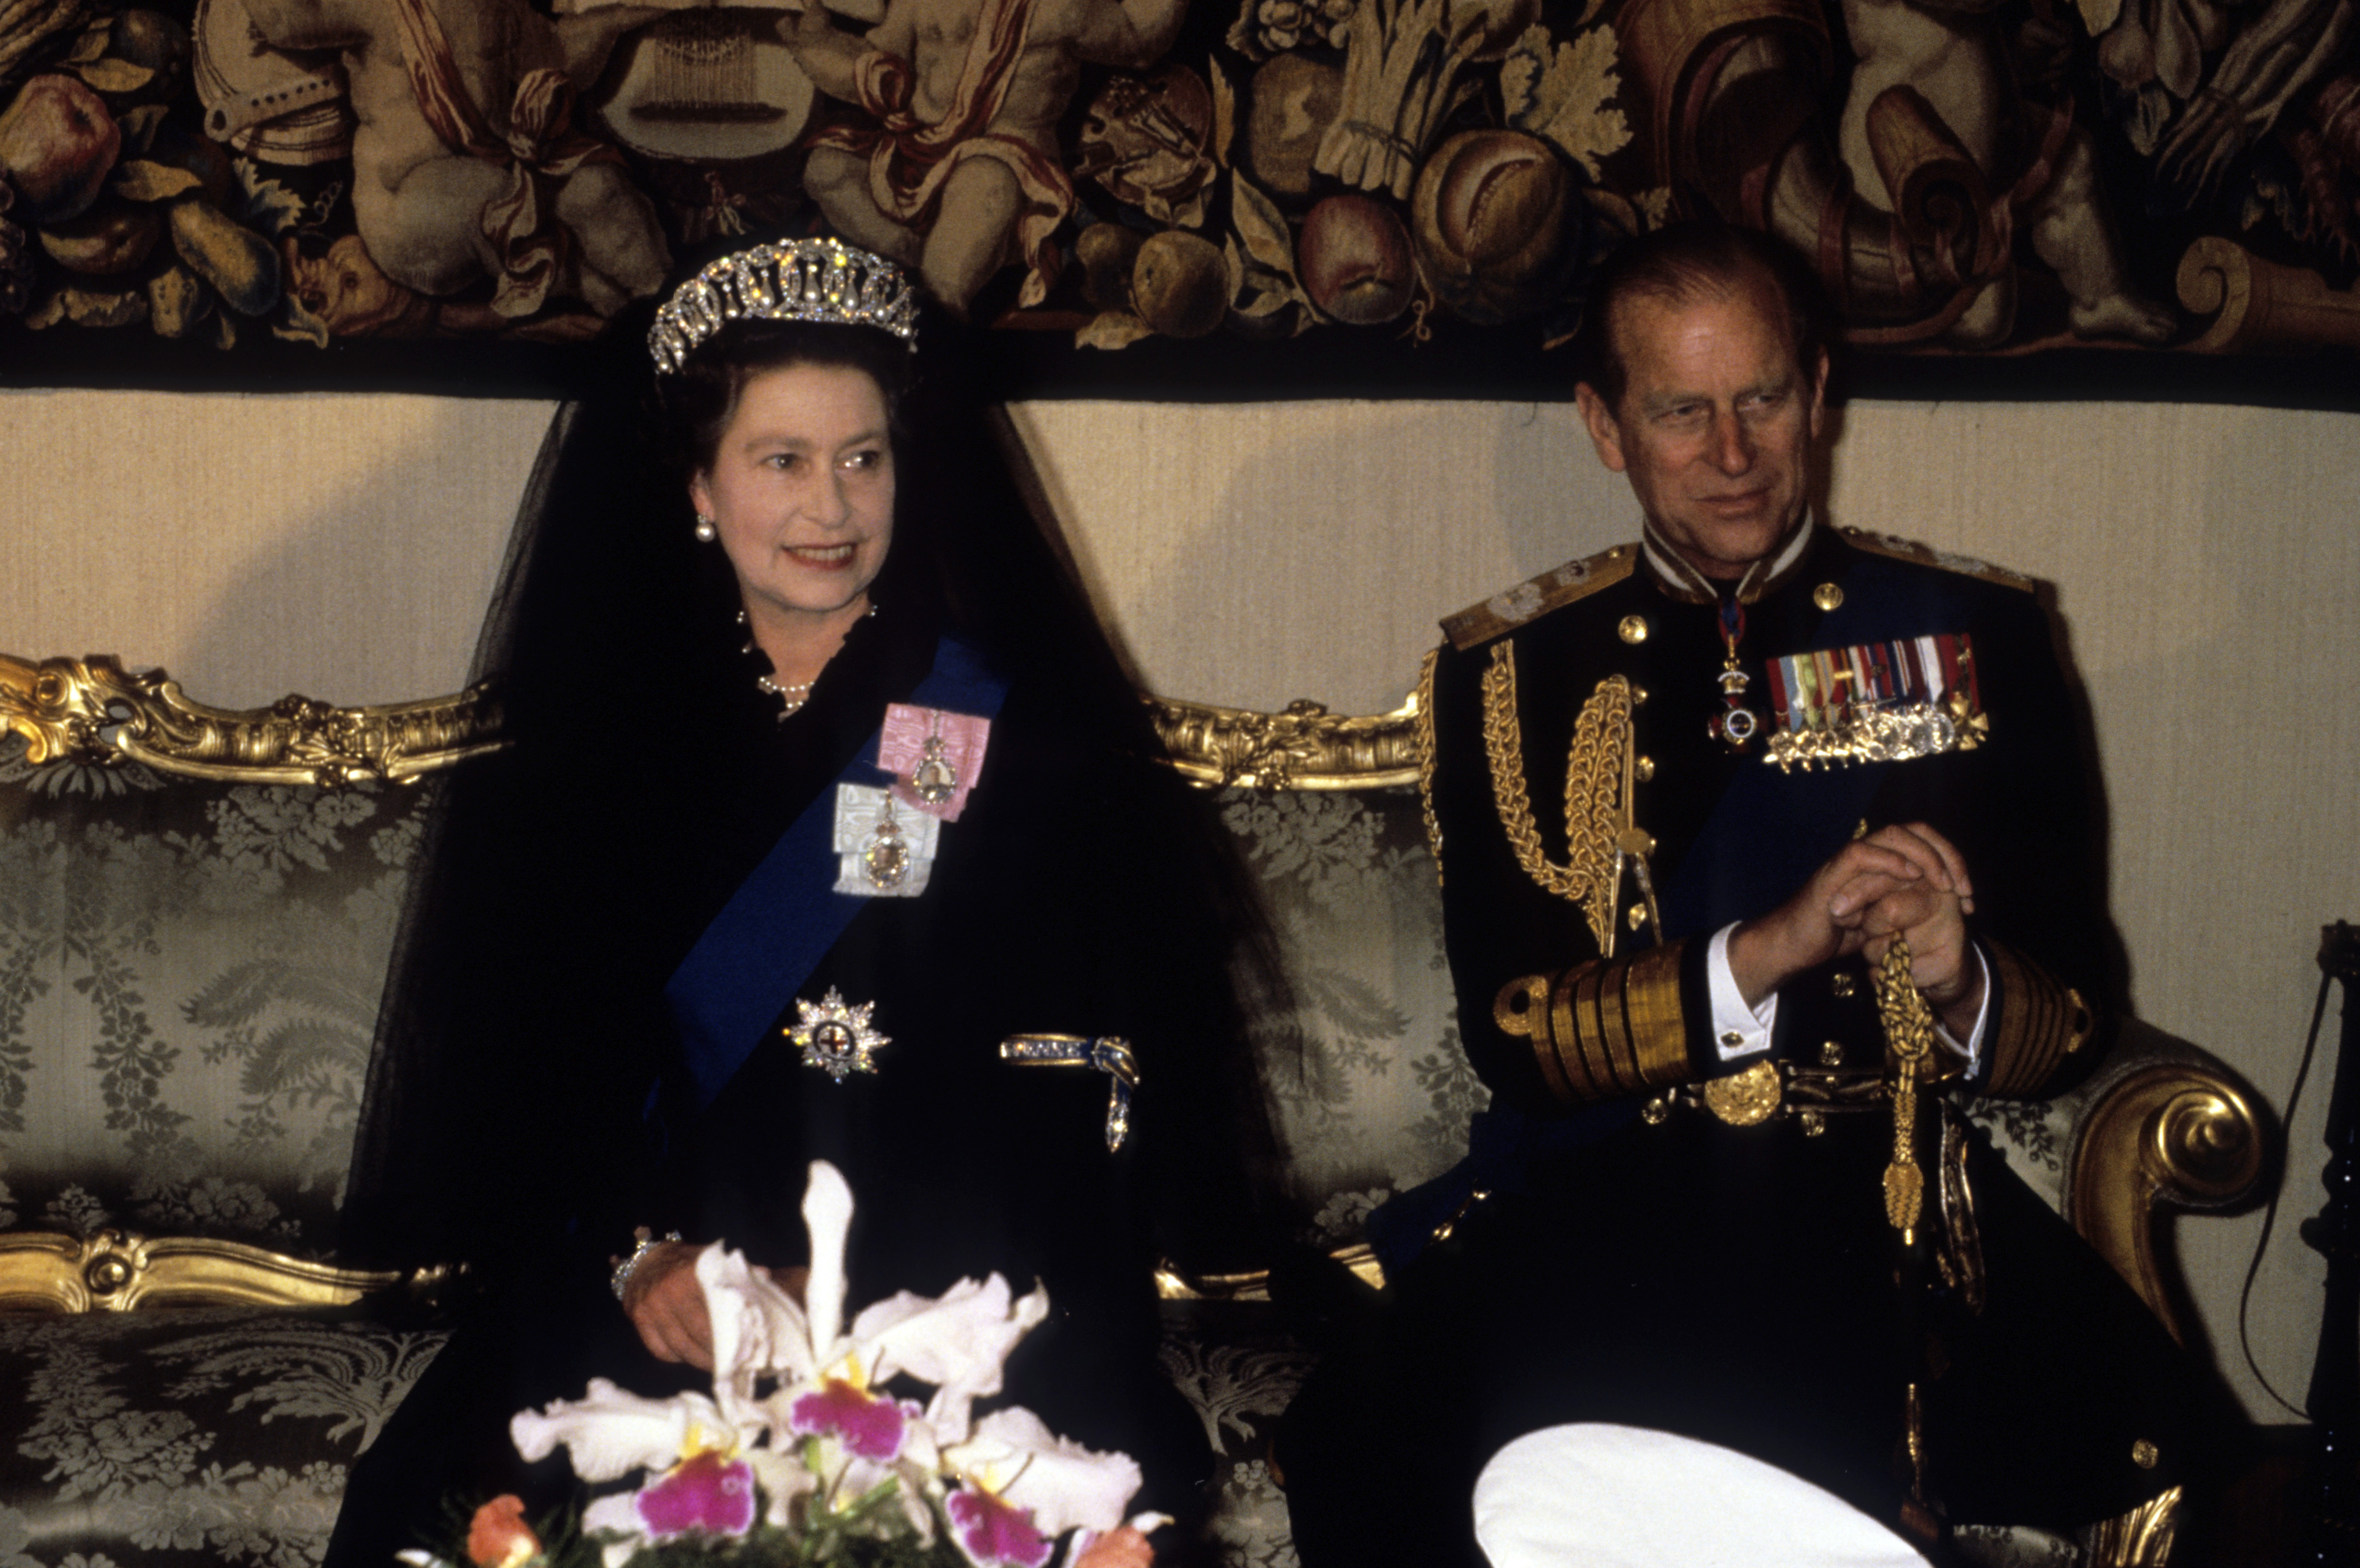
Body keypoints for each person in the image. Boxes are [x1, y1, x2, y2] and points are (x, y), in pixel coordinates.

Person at [1277, 222, 2214, 1567]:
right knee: (1388, 1445)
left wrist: (1962, 979)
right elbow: (1523, 1036)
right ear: (1605, 425)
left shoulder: (1976, 639)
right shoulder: (1512, 676)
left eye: (1762, 398)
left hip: (1874, 1206)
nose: (1733, 452)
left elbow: (2072, 1017)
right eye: (1681, 411)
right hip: (1607, 1207)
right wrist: (1770, 948)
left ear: (1820, 392)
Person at [325, 237, 1269, 1567]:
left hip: (949, 1289)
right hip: (664, 1292)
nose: (832, 506)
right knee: (483, 1508)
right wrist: (646, 1260)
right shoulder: (599, 745)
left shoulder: (998, 733)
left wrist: (849, 1285)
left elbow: (1067, 1083)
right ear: (698, 483)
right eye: (781, 459)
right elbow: (536, 1082)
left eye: (863, 457)